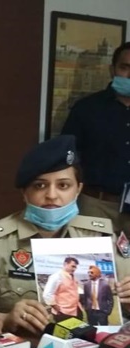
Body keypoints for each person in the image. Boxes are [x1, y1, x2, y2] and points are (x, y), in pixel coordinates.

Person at [0, 135, 130, 336]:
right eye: (40, 185)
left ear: (78, 190)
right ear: (24, 192)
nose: (51, 195)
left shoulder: (102, 237)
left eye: (63, 185)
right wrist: (6, 319)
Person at [61, 42, 130, 235]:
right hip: (96, 204)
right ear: (112, 70)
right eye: (125, 68)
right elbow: (68, 157)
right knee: (92, 264)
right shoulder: (87, 108)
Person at [42, 257, 82, 321]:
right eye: (73, 266)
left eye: (75, 267)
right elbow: (47, 294)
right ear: (65, 264)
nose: (74, 269)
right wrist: (56, 308)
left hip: (75, 309)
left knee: (79, 329)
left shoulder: (72, 276)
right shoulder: (56, 276)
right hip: (63, 312)